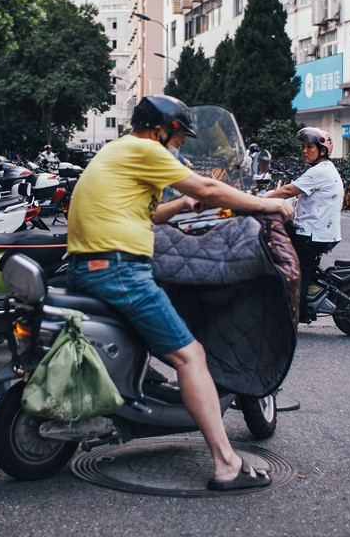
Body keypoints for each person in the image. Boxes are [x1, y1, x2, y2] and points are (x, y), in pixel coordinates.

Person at [66, 95, 293, 491]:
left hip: (87, 267)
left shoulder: (116, 151)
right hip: (120, 270)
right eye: (179, 138)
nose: (180, 146)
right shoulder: (145, 148)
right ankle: (226, 463)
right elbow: (209, 188)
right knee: (191, 355)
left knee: (151, 338)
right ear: (162, 129)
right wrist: (263, 205)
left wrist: (181, 205)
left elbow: (145, 214)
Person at [264, 128, 344, 322]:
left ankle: (295, 313)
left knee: (294, 272)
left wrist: (255, 200)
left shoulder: (319, 171)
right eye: (303, 147)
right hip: (320, 232)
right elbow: (296, 197)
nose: (305, 151)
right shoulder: (321, 170)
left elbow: (287, 191)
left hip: (312, 234)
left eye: (310, 147)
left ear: (322, 150)